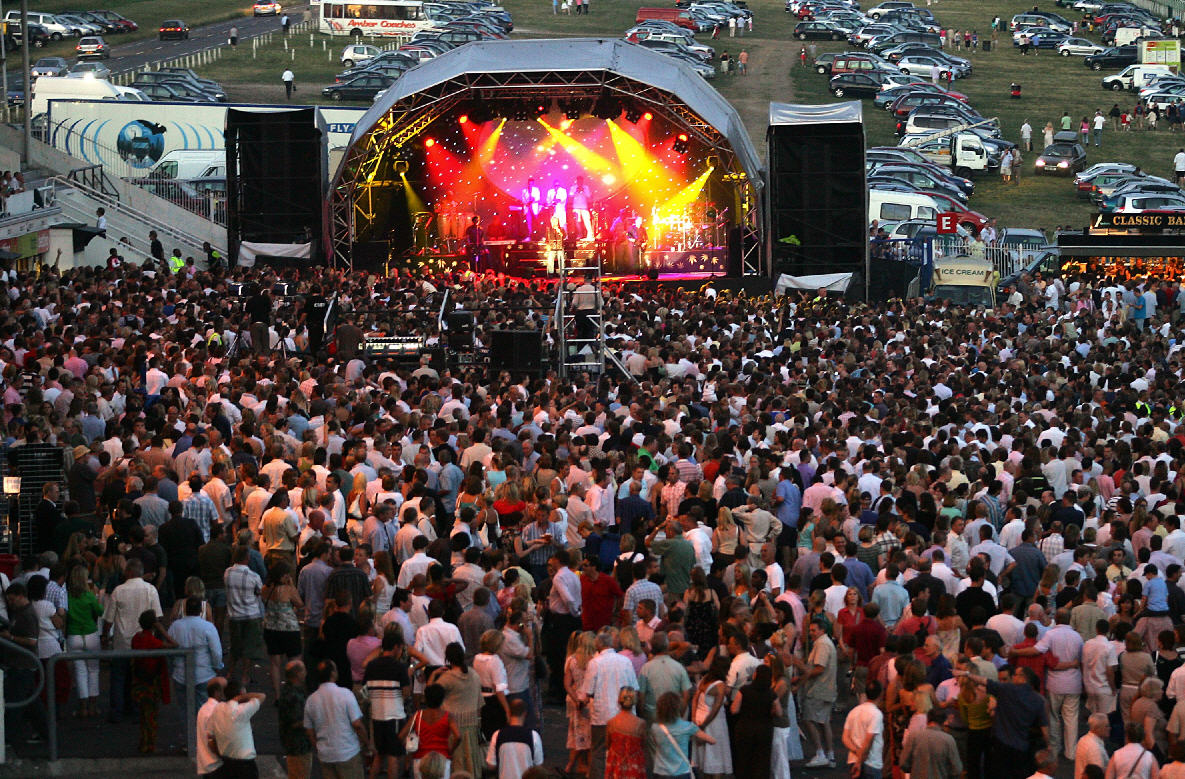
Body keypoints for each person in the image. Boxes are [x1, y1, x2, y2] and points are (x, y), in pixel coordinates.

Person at [304, 659, 372, 778]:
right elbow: (357, 725)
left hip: (325, 755)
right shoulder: (345, 694)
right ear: (332, 674)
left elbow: (309, 731)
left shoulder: (311, 700)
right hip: (347, 752)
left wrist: (318, 747)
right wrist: (367, 744)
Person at [130, 609, 176, 753]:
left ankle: (143, 741)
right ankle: (149, 744)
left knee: (144, 714)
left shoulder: (137, 638)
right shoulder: (153, 641)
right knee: (151, 715)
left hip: (139, 680)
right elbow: (174, 645)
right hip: (152, 683)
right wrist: (162, 630)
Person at [648, 691, 715, 779]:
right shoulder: (688, 727)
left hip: (661, 772)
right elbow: (712, 741)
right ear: (678, 707)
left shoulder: (655, 728)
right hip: (682, 772)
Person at [731, 663, 780, 779]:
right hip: (764, 729)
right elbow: (779, 712)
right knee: (762, 760)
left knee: (744, 758)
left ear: (755, 675)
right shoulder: (771, 693)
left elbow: (734, 709)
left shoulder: (744, 690)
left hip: (745, 728)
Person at [401, 683, 458, 779]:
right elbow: (458, 736)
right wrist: (451, 751)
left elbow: (401, 735)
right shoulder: (448, 716)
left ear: (426, 699)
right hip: (442, 759)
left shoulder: (417, 715)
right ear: (442, 699)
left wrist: (410, 747)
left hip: (420, 758)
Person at [210, 679, 266, 778]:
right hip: (244, 766)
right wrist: (241, 697)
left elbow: (211, 738)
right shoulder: (240, 711)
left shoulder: (218, 708)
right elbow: (262, 696)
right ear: (241, 693)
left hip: (225, 763)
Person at [485, 698, 544, 779]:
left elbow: (491, 765)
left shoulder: (497, 735)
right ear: (525, 713)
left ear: (509, 712)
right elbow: (538, 765)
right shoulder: (533, 736)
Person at [278, 660, 313, 779]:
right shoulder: (293, 696)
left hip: (293, 743)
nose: (306, 672)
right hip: (299, 745)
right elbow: (296, 722)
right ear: (297, 673)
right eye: (303, 670)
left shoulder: (288, 691)